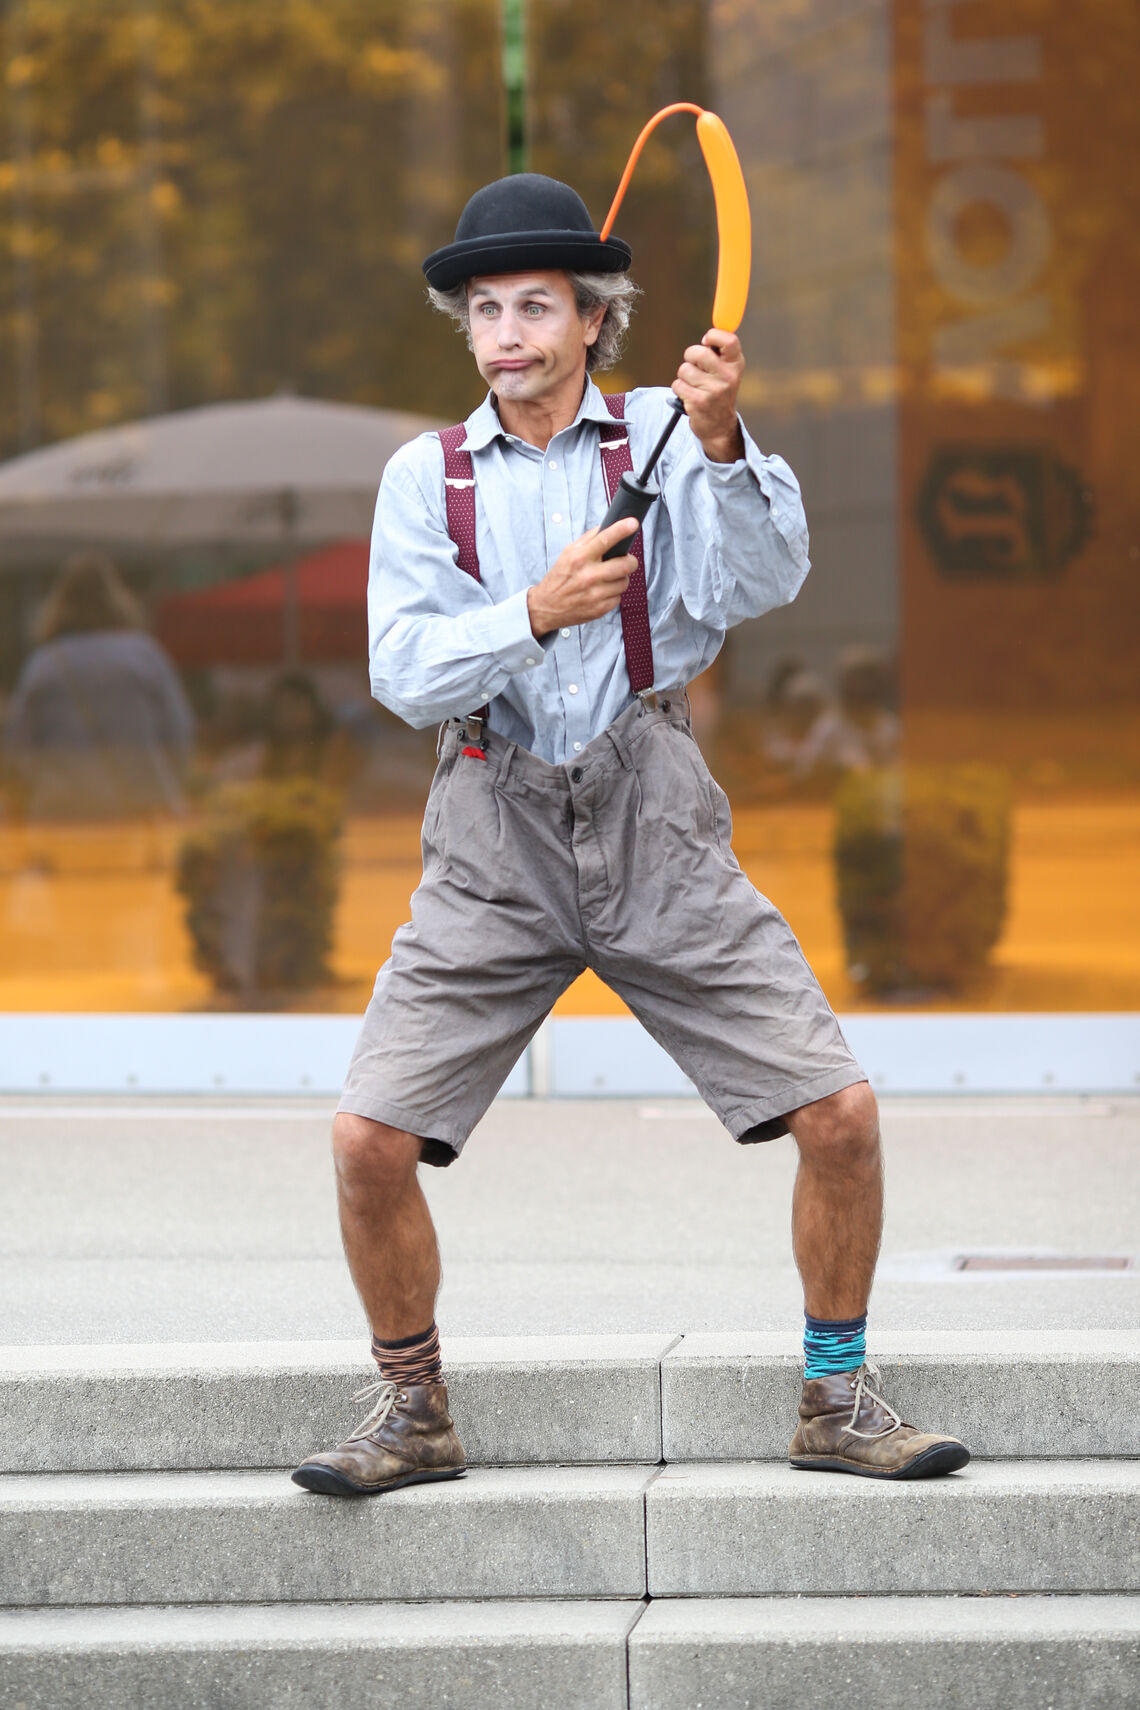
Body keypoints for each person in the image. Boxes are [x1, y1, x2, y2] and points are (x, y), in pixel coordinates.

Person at [293, 174, 967, 1496]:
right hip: (490, 823)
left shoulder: (664, 431)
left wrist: (721, 444)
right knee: (369, 1139)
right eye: (485, 309)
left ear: (594, 319)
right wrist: (532, 614)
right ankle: (413, 1411)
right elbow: (403, 672)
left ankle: (836, 1399)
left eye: (535, 306)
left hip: (653, 803)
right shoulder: (424, 477)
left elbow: (763, 581)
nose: (505, 333)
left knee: (840, 1114)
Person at [4, 553, 194, 822]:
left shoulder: (44, 664)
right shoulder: (144, 654)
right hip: (140, 806)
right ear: (118, 599)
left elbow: (19, 748)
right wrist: (170, 782)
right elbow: (179, 731)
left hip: (62, 809)